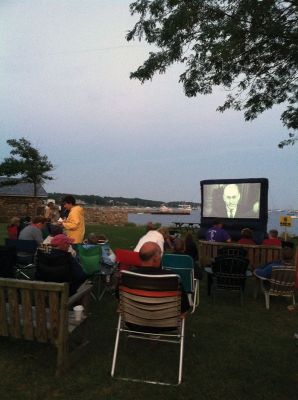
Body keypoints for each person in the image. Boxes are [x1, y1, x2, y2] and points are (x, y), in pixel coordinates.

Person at [128, 242, 189, 313]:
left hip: (134, 320)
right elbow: (184, 306)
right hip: (164, 321)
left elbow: (120, 297)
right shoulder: (172, 278)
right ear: (156, 258)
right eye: (160, 254)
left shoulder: (127, 276)